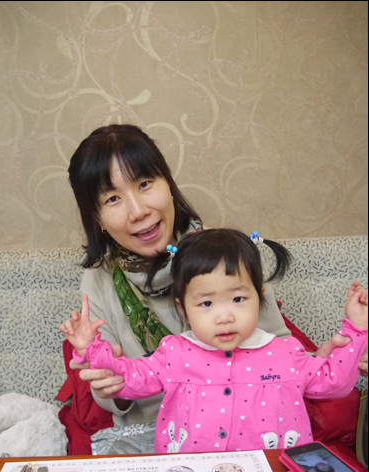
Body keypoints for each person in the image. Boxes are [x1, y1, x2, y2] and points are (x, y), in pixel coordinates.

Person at [64, 124, 367, 454]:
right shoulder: (100, 279)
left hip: (248, 432)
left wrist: (321, 359)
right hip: (158, 439)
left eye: (145, 184)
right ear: (97, 217)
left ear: (168, 183)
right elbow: (116, 387)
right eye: (113, 198)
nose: (138, 211)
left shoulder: (224, 255)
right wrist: (110, 380)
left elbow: (277, 353)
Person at [59, 228, 368, 453]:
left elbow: (335, 383)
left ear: (260, 298)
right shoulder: (174, 353)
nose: (224, 317)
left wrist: (357, 330)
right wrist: (91, 349)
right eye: (206, 303)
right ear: (183, 309)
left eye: (238, 299)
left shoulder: (284, 352)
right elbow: (129, 379)